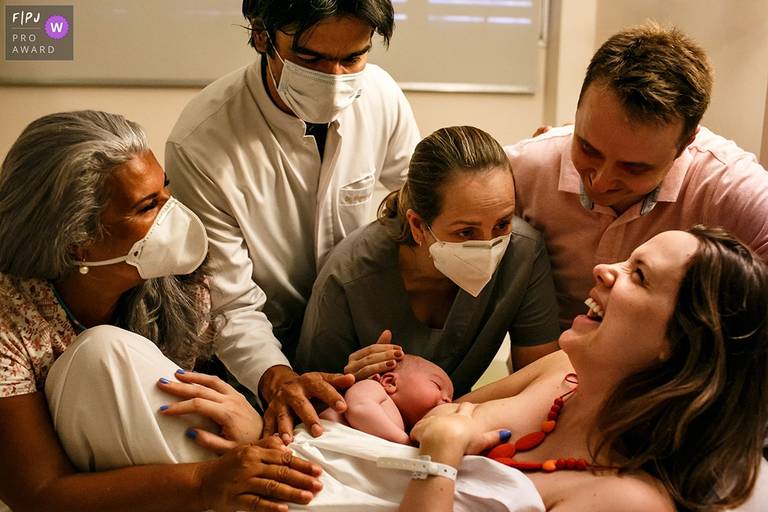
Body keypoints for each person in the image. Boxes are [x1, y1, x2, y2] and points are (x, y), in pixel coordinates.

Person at [0, 111, 323, 512]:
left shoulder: (179, 285)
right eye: (149, 205)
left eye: (166, 190)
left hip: (168, 483)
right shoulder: (10, 319)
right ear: (76, 243)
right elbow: (38, 493)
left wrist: (252, 427)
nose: (174, 213)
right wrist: (204, 483)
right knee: (101, 352)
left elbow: (188, 422)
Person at [165, 0, 421, 443]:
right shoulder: (202, 142)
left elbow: (417, 200)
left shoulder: (379, 95)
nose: (335, 78)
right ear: (263, 36)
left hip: (353, 340)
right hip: (260, 348)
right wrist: (276, 377)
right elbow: (229, 302)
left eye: (352, 58)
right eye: (311, 58)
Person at [400, 226, 768, 511]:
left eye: (638, 275)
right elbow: (423, 423)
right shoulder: (560, 372)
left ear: (678, 343)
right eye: (627, 260)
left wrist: (442, 459)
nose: (603, 269)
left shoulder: (630, 502)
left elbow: (442, 436)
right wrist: (384, 381)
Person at [507, 22, 768, 330]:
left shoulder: (729, 186)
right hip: (544, 363)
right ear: (576, 115)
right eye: (588, 148)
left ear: (685, 144)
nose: (601, 181)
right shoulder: (525, 167)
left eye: (634, 168)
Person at [295, 126, 561, 396]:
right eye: (466, 232)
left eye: (502, 224)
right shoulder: (348, 277)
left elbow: (540, 384)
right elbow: (314, 398)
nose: (488, 245)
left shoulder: (523, 253)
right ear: (418, 225)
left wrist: (461, 416)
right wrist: (350, 383)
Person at [319, 354, 454, 444]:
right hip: (322, 444)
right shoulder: (373, 387)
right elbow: (360, 409)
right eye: (437, 385)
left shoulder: (405, 427)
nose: (448, 400)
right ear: (390, 382)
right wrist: (404, 442)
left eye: (450, 398)